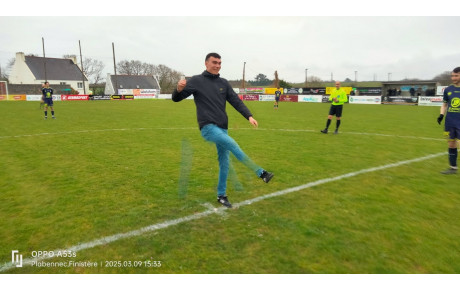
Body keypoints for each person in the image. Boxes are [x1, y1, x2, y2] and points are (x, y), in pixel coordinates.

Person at [172, 52, 274, 208]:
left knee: (224, 163)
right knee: (233, 145)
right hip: (208, 128)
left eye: (219, 63)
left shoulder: (224, 83)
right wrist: (178, 89)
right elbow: (176, 98)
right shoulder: (196, 81)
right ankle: (261, 173)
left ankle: (221, 195)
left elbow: (236, 101)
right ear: (206, 63)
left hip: (222, 128)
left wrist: (249, 116)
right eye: (214, 62)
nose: (217, 65)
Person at [437, 67, 460, 174]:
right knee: (451, 144)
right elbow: (445, 104)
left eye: (456, 75)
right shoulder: (448, 90)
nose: (453, 78)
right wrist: (441, 115)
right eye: (452, 75)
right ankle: (453, 168)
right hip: (450, 121)